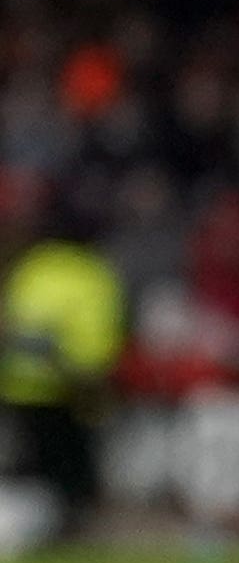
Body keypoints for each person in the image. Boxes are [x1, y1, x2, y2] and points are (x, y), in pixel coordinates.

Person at [0, 199, 125, 544]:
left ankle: (39, 534)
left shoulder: (32, 269)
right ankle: (69, 534)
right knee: (72, 480)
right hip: (72, 391)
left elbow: (10, 327)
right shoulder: (93, 272)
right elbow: (97, 342)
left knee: (34, 475)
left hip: (21, 390)